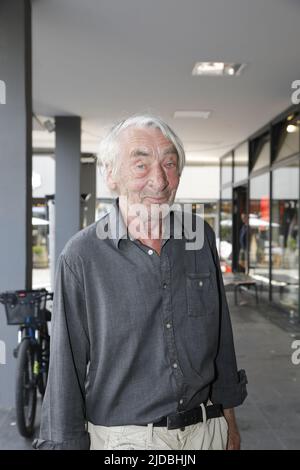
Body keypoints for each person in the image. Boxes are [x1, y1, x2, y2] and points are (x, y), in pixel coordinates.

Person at [33, 115, 247, 451]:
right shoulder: (81, 256)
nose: (159, 181)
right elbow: (65, 367)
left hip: (207, 431)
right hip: (126, 442)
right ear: (111, 174)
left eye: (169, 163)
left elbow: (221, 339)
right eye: (140, 164)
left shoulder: (200, 237)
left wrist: (230, 423)